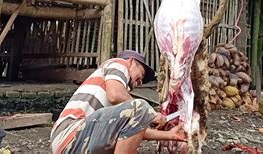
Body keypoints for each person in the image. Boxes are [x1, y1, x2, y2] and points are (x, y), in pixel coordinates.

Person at [50, 50, 186, 153]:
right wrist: (151, 113)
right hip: (69, 134)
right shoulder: (119, 63)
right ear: (131, 61)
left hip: (74, 140)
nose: (140, 82)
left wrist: (168, 135)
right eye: (142, 74)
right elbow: (115, 94)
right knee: (140, 107)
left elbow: (135, 130)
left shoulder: (116, 102)